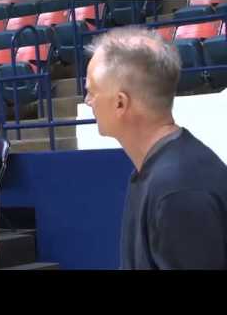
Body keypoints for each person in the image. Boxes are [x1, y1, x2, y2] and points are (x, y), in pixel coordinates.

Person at [84, 26, 227, 269]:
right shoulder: (157, 172)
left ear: (120, 103)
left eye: (91, 92)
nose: (87, 101)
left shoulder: (178, 189)